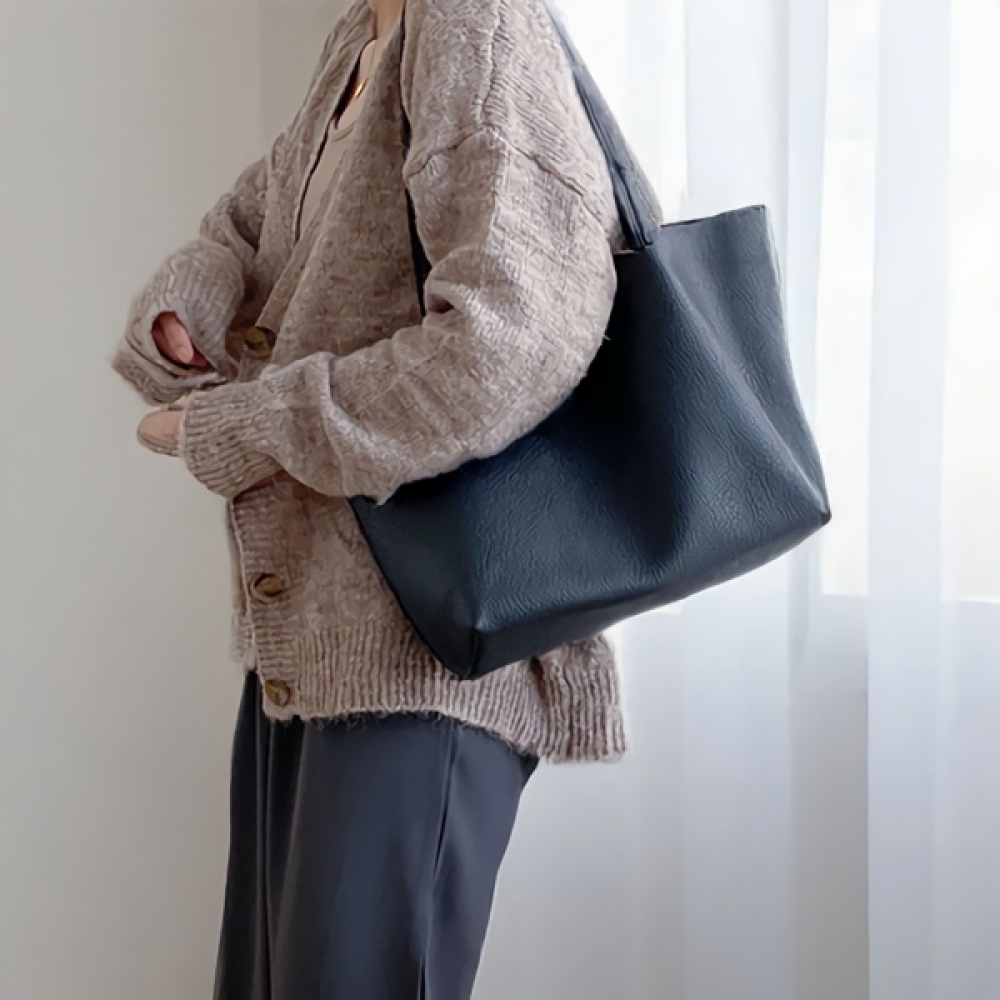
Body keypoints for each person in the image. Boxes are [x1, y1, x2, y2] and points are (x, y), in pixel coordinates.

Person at [113, 0, 626, 995]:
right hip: (314, 641)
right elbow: (255, 222)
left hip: (423, 648)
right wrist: (192, 306)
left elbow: (508, 344)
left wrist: (245, 424)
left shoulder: (470, 23)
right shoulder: (368, 32)